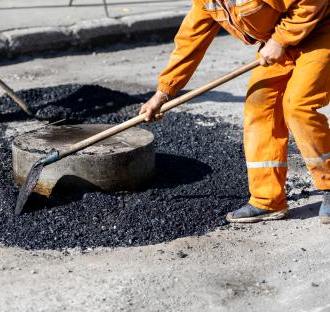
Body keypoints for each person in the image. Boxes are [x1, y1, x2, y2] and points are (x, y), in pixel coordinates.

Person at [139, 0, 330, 223]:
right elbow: (189, 42)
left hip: (321, 31)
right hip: (280, 43)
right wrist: (163, 93)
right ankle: (267, 200)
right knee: (259, 107)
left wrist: (280, 39)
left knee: (298, 105)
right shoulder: (206, 2)